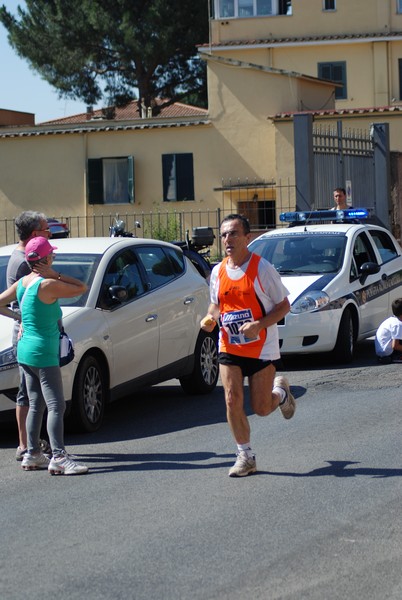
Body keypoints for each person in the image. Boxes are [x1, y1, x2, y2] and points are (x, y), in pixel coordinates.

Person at [200, 214, 296, 477]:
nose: (227, 240)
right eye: (223, 235)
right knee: (232, 399)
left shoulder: (262, 269)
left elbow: (284, 306)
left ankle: (282, 394)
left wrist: (259, 325)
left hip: (261, 346)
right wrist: (210, 318)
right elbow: (216, 305)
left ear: (247, 237)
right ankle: (245, 456)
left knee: (262, 407)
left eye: (233, 233)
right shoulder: (218, 272)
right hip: (229, 345)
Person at [0, 236, 89, 475]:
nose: (54, 258)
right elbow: (82, 287)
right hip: (44, 351)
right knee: (56, 405)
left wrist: (19, 319)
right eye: (52, 255)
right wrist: (54, 273)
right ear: (45, 259)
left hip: (25, 349)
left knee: (35, 403)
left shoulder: (22, 284)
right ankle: (59, 457)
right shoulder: (46, 284)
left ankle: (32, 454)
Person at [6, 210, 52, 461]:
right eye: (46, 230)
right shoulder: (27, 262)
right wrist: (21, 318)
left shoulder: (18, 255)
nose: (49, 233)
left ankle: (28, 442)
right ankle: (26, 445)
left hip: (26, 333)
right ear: (35, 234)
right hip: (28, 334)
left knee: (28, 391)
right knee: (28, 392)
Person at [375, 298, 402, 364]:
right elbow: (395, 345)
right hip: (387, 352)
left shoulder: (392, 320)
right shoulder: (398, 324)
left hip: (381, 350)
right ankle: (396, 357)